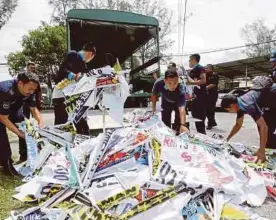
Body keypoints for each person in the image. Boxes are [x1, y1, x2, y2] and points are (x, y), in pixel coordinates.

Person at [221, 76, 276, 163]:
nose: (229, 112)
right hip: (270, 104)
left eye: (228, 110)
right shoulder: (239, 105)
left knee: (263, 129)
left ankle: (263, 152)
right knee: (265, 132)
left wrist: (262, 151)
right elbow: (238, 125)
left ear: (232, 105)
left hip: (273, 97)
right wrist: (227, 139)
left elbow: (264, 127)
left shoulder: (248, 104)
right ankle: (267, 149)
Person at [0, 72, 44, 176]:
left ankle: (25, 156)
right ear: (20, 84)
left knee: (26, 126)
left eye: (34, 89)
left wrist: (41, 122)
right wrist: (19, 134)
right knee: (1, 134)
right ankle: (6, 163)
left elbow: (33, 109)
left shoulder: (30, 91)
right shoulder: (6, 90)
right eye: (30, 89)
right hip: (1, 111)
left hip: (13, 109)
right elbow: (3, 118)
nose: (32, 92)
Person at [52, 42, 97, 135]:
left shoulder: (84, 66)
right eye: (92, 58)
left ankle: (84, 142)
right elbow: (62, 71)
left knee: (82, 123)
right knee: (61, 124)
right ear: (90, 54)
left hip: (74, 97)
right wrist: (74, 76)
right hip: (61, 95)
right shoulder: (73, 55)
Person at [151, 70, 189, 134]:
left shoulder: (181, 86)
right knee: (165, 121)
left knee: (179, 121)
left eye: (175, 83)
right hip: (166, 101)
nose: (172, 86)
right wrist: (153, 108)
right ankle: (167, 134)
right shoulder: (158, 83)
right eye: (169, 83)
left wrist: (183, 125)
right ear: (165, 81)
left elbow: (182, 109)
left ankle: (177, 133)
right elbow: (154, 95)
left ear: (178, 80)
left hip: (178, 102)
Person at [187, 54, 207, 134]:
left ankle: (204, 138)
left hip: (200, 98)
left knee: (200, 121)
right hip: (194, 98)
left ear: (194, 60)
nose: (188, 62)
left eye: (189, 60)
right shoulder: (192, 71)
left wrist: (191, 83)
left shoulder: (200, 68)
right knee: (195, 118)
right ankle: (200, 137)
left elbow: (203, 81)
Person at [206, 64, 219, 130]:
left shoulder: (214, 74)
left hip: (213, 94)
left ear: (210, 68)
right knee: (208, 109)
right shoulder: (207, 75)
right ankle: (212, 122)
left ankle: (210, 124)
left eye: (206, 68)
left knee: (210, 109)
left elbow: (213, 84)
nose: (205, 69)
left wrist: (205, 88)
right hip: (208, 95)